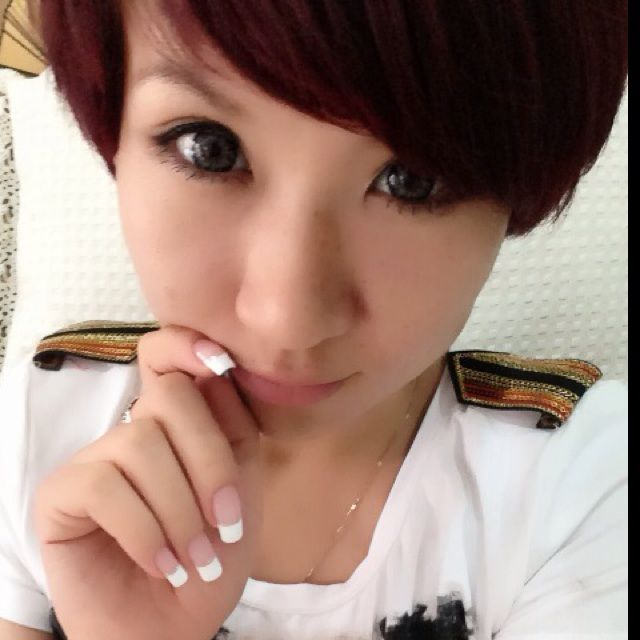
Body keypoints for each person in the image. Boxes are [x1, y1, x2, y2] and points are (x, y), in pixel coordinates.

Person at [0, 1, 628, 639]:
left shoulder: (583, 483)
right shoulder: (36, 427)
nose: (288, 321)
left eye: (412, 180)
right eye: (211, 149)